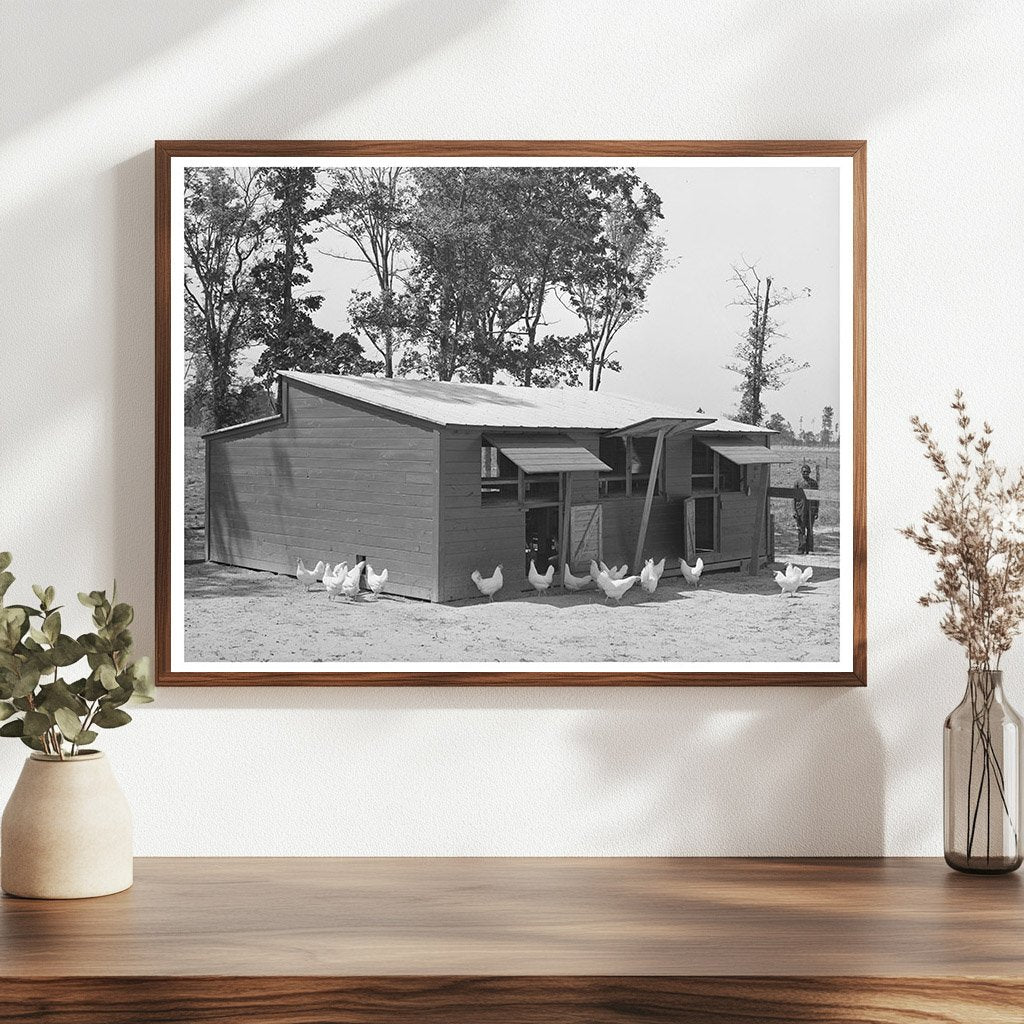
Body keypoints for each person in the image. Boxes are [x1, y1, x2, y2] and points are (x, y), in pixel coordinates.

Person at [792, 463, 819, 555]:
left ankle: (810, 549)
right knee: (800, 529)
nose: (805, 473)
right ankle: (801, 549)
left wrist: (816, 510)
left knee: (810, 529)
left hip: (811, 510)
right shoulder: (797, 483)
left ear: (810, 472)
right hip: (800, 509)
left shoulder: (813, 483)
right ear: (801, 472)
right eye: (804, 472)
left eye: (807, 472)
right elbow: (794, 498)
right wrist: (794, 511)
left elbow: (817, 498)